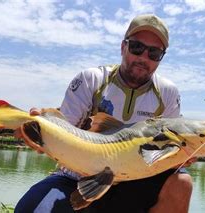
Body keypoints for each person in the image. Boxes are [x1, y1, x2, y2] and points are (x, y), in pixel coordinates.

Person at [15, 14, 193, 213]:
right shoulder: (91, 79)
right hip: (77, 176)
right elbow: (63, 130)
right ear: (123, 47)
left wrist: (183, 155)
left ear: (161, 58)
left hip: (133, 180)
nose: (143, 57)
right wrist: (42, 135)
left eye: (154, 53)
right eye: (136, 47)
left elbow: (166, 155)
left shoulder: (168, 93)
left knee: (181, 182)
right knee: (31, 208)